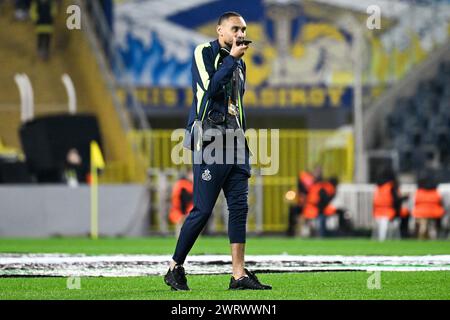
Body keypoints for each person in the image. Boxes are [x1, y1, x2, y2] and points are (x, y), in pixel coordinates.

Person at [164, 11, 271, 291]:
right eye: (235, 28)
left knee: (238, 208)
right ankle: (175, 267)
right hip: (210, 141)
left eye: (244, 29)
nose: (240, 34)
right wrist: (233, 59)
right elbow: (208, 90)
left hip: (235, 142)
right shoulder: (204, 52)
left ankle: (238, 274)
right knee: (203, 210)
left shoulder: (240, 65)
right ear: (220, 31)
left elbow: (237, 106)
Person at [372, 167, 407, 241]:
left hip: (377, 212)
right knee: (404, 214)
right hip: (389, 212)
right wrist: (405, 198)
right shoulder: (391, 186)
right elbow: (396, 201)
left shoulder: (378, 187)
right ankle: (404, 235)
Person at [412, 172, 445, 239]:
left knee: (423, 222)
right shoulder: (435, 192)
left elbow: (414, 202)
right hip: (434, 212)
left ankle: (422, 231)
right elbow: (441, 202)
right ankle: (435, 233)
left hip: (420, 212)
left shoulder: (419, 192)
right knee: (433, 224)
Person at [168, 169, 194, 239]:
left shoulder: (182, 184)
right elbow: (176, 201)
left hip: (185, 211)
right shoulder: (183, 184)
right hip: (180, 211)